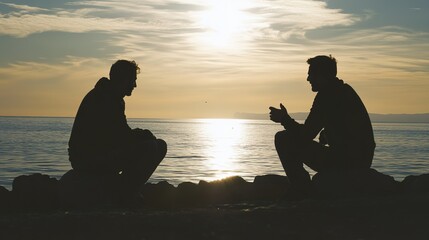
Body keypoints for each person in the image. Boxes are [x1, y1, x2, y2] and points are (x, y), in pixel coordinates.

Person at [269, 55, 375, 198]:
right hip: (361, 160)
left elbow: (306, 134)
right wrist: (328, 134)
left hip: (345, 163)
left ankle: (301, 189)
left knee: (283, 138)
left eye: (311, 74)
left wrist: (284, 119)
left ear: (321, 75)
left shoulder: (326, 96)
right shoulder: (344, 90)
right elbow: (348, 127)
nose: (308, 79)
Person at [68, 59, 167, 205]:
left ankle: (124, 191)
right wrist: (142, 136)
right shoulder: (105, 98)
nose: (135, 85)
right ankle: (125, 194)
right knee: (154, 147)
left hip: (93, 154)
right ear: (124, 79)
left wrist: (140, 136)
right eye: (133, 80)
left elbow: (119, 132)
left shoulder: (111, 96)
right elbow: (119, 136)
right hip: (89, 159)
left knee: (155, 145)